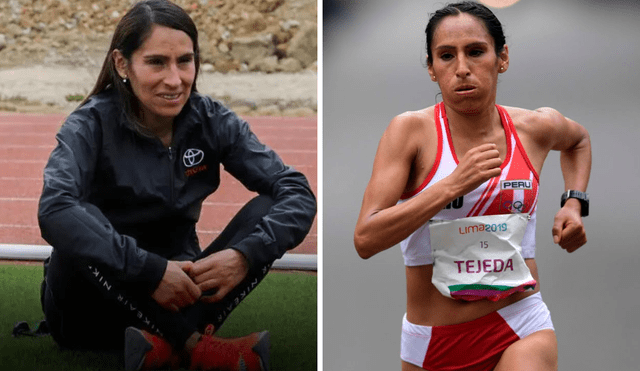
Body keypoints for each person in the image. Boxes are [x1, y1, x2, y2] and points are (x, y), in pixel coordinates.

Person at [37, 1, 316, 370]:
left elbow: (296, 191)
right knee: (78, 219)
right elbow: (54, 209)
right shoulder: (89, 124)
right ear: (122, 64)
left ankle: (162, 348)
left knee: (268, 208)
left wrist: (245, 254)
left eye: (184, 61)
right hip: (90, 310)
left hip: (185, 294)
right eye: (156, 62)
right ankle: (197, 346)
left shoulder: (211, 119)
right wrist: (148, 271)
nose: (174, 80)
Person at [353, 2, 591, 371]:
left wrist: (573, 203)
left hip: (521, 322)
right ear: (432, 69)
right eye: (446, 56)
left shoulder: (534, 128)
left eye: (476, 52)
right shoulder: (409, 133)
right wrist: (449, 187)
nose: (462, 68)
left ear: (502, 58)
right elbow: (366, 239)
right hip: (433, 342)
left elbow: (578, 141)